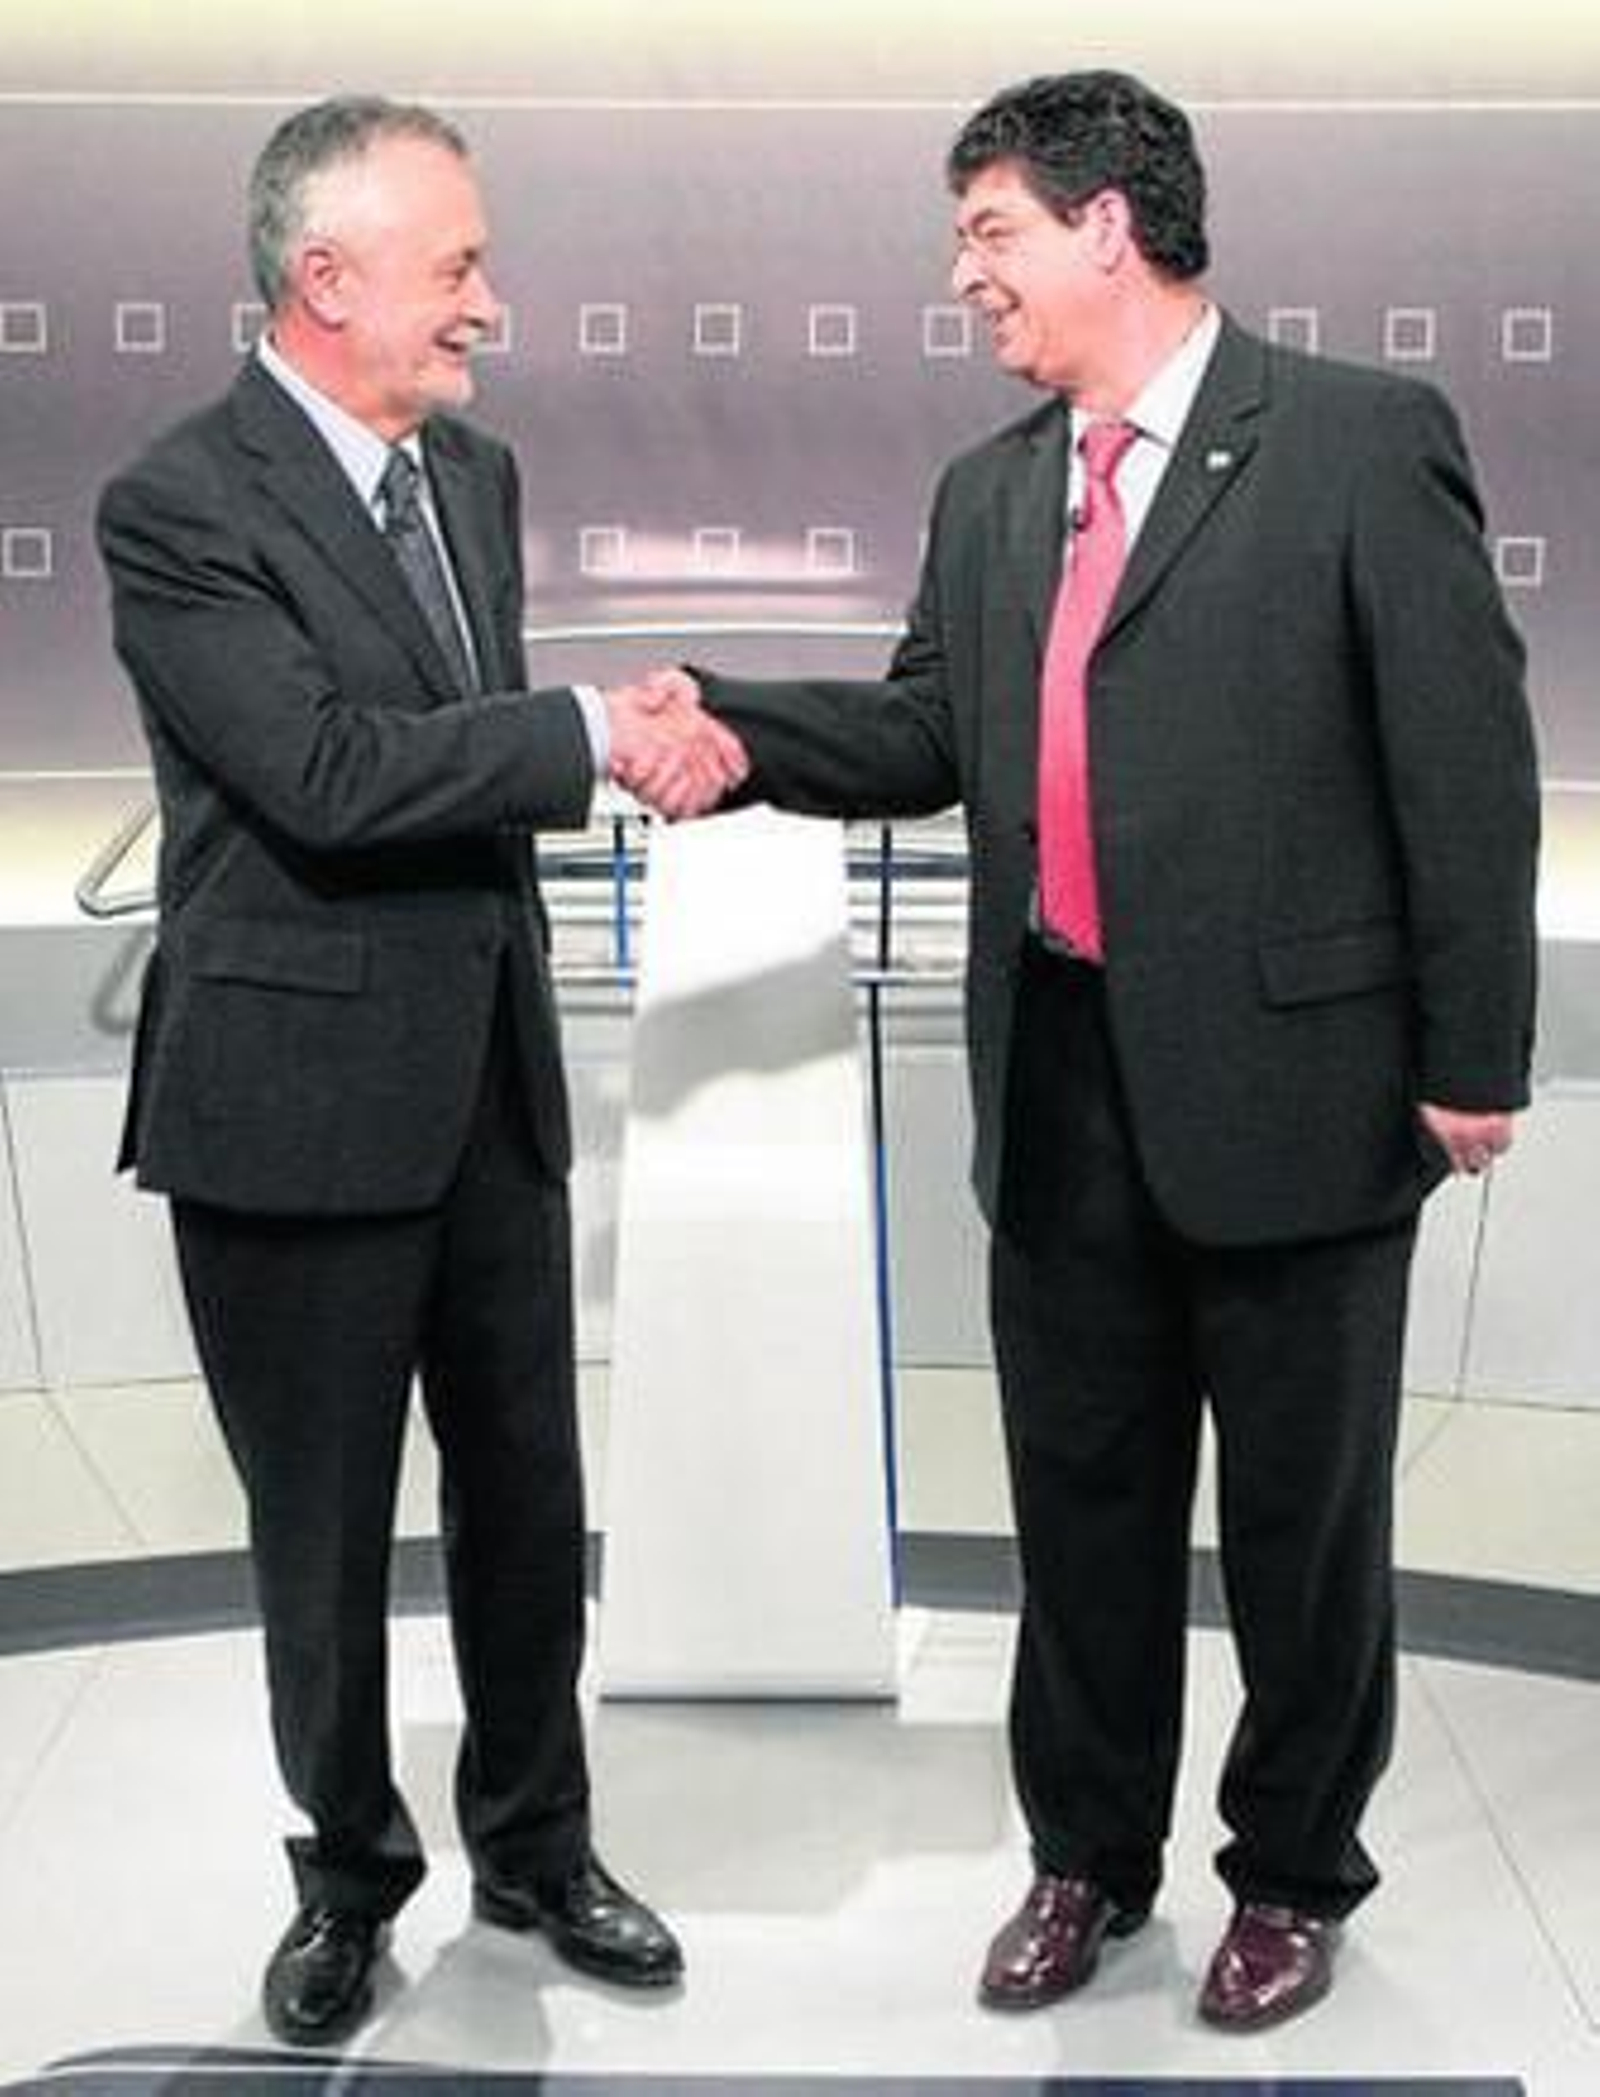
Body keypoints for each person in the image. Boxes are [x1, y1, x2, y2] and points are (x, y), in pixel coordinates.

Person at [669, 69, 1540, 2032]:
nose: (961, 274)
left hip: (1300, 1088)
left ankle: (1292, 1873)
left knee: (1305, 1525)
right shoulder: (989, 492)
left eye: (986, 230)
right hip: (1058, 1083)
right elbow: (924, 731)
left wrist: (1470, 1049)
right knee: (1078, 1514)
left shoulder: (1353, 438)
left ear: (1105, 225)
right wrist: (726, 726)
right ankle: (1086, 1858)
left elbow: (1466, 769)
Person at [96, 95, 743, 2050]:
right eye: (455, 265)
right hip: (288, 1099)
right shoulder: (178, 503)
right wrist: (588, 735)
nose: (487, 303)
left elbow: (450, 750)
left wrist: (591, 735)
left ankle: (536, 1846)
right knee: (321, 1531)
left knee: (526, 1498)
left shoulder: (472, 473)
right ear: (326, 277)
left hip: (486, 1089)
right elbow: (320, 772)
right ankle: (346, 1876)